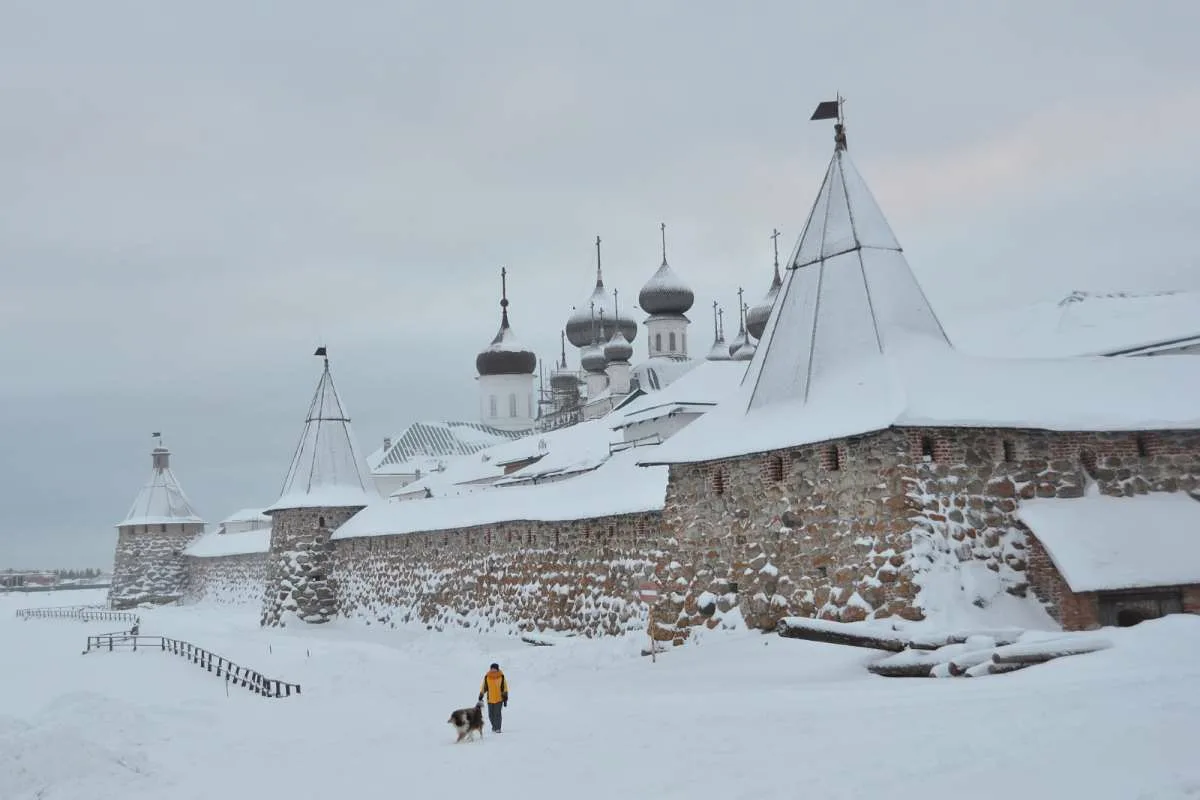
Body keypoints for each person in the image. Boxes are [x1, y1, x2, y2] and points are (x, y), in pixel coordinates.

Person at [477, 662, 508, 733]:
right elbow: (484, 686)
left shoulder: (501, 677)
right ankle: (494, 727)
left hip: (499, 698)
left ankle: (498, 728)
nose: (493, 670)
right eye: (492, 669)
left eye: (494, 669)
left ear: (497, 669)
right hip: (490, 699)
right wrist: (481, 694)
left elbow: (505, 687)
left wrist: (505, 697)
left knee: (497, 714)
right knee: (490, 715)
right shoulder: (487, 677)